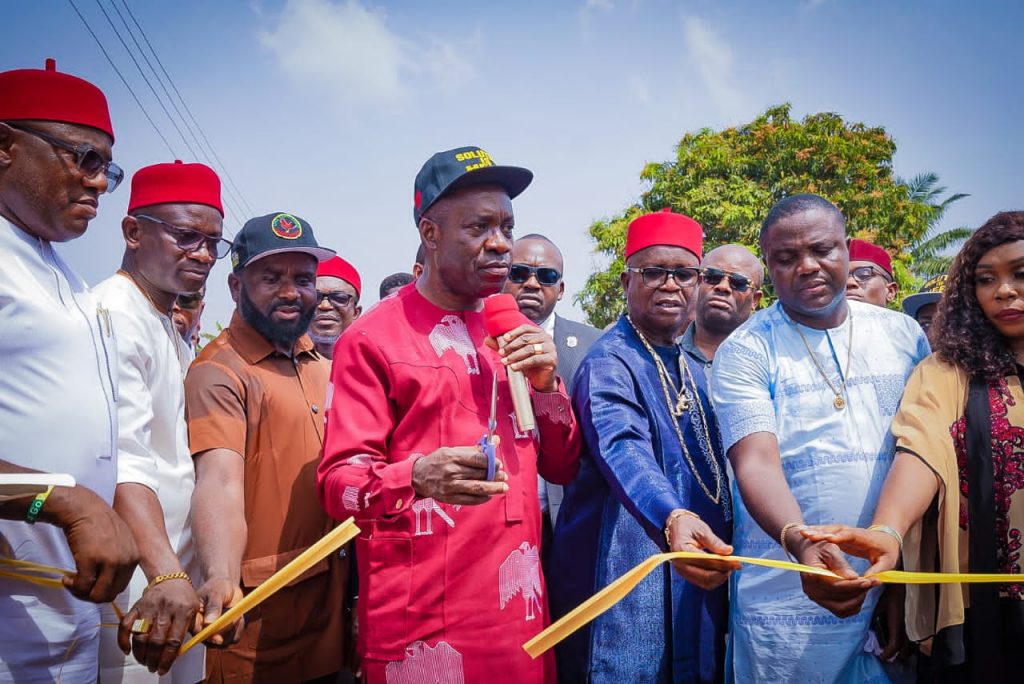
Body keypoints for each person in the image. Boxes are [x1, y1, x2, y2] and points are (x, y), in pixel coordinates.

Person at [318, 146, 581, 683]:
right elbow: (337, 484)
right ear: (430, 233)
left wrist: (549, 386)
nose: (501, 243)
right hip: (423, 622)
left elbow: (561, 466)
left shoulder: (512, 328)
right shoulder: (371, 338)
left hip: (519, 614)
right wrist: (415, 475)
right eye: (479, 226)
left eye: (507, 225)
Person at [711, 194, 929, 682]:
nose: (807, 267)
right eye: (786, 259)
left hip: (887, 575)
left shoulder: (904, 335)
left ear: (847, 249)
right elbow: (755, 462)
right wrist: (799, 543)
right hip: (784, 594)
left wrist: (896, 580)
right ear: (768, 266)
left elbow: (919, 452)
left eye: (822, 250)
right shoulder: (746, 349)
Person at [803, 211, 1024, 682]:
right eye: (986, 279)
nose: (1003, 290)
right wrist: (887, 530)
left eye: (1019, 274)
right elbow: (920, 448)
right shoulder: (947, 371)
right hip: (983, 611)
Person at [550, 209, 737, 683]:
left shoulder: (692, 370)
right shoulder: (609, 362)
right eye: (653, 272)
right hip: (622, 569)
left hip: (689, 568)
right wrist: (672, 515)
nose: (670, 285)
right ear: (625, 281)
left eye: (685, 274)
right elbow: (622, 446)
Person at [0, 58, 139, 683]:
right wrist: (64, 503)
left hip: (68, 614)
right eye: (83, 157)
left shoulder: (64, 275)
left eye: (107, 166)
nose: (101, 183)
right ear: (5, 146)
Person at [184, 212, 348, 682]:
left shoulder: (322, 366)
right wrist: (218, 575)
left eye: (304, 278)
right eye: (271, 278)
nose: (292, 292)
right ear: (236, 287)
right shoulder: (218, 371)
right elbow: (219, 480)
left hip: (328, 616)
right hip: (257, 626)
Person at [93, 160, 227, 682]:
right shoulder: (114, 315)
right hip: (140, 582)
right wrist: (163, 570)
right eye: (187, 236)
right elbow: (122, 458)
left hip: (174, 579)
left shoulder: (166, 327)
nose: (203, 254)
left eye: (215, 242)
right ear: (132, 231)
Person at [502, 233, 602, 549]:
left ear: (560, 290)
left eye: (546, 276)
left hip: (572, 524)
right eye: (519, 273)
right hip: (499, 520)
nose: (531, 283)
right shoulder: (475, 342)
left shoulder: (594, 345)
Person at [681, 243, 764, 376]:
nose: (723, 286)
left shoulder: (769, 363)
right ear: (697, 283)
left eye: (738, 283)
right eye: (712, 277)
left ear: (755, 299)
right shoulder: (660, 352)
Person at [309, 255, 362, 359]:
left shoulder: (371, 362)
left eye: (339, 298)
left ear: (356, 313)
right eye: (315, 298)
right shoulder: (278, 362)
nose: (325, 306)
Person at [846, 238, 898, 307]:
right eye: (841, 278)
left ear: (890, 292)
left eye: (863, 274)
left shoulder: (904, 318)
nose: (849, 282)